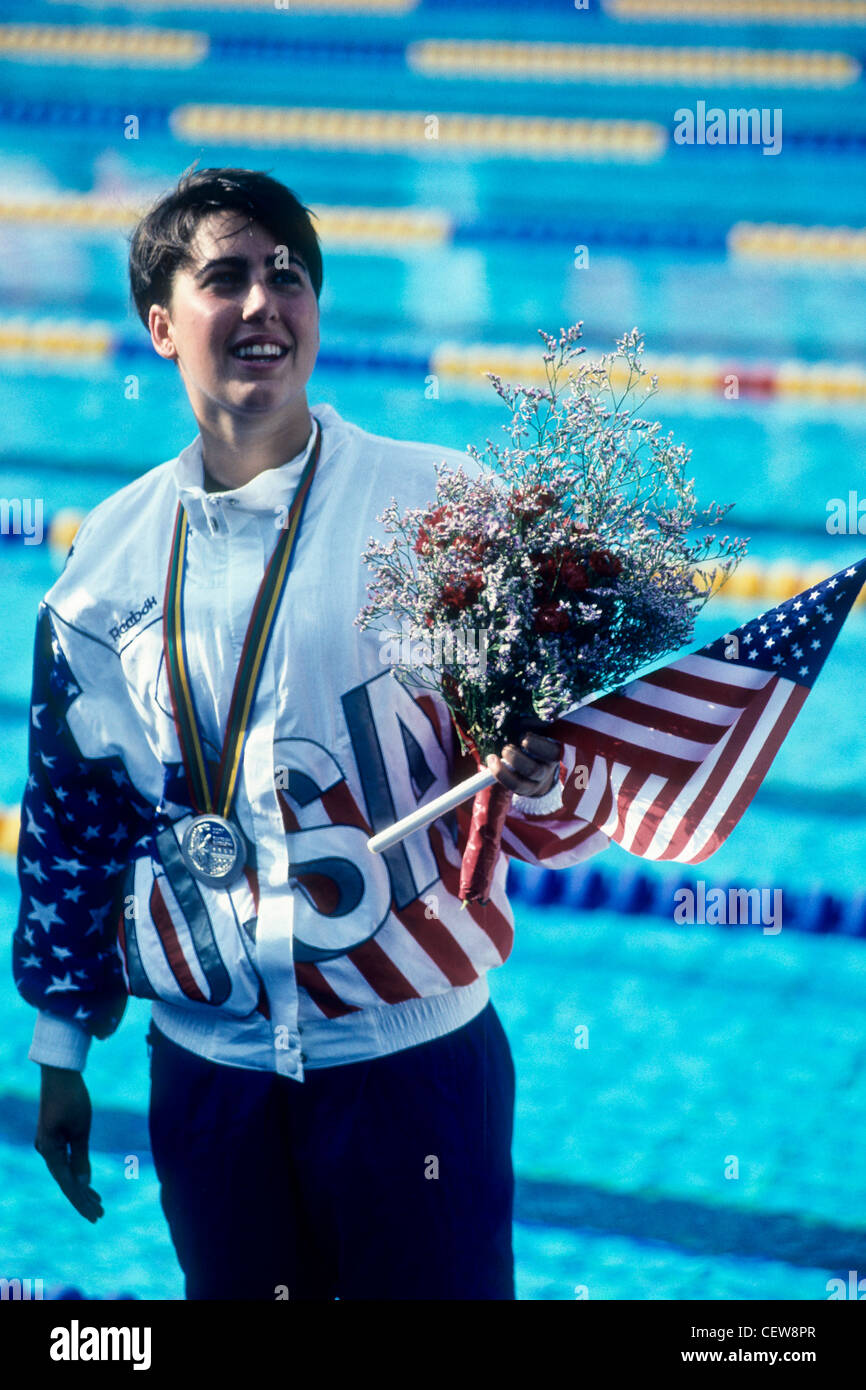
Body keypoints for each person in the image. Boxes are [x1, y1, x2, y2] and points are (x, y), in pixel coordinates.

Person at [12, 167, 607, 1301]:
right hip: (208, 1074)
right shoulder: (104, 566)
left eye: (286, 276)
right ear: (159, 323)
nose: (259, 303)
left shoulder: (441, 511)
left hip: (414, 1065)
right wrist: (59, 1053)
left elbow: (560, 814)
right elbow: (73, 821)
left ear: (317, 314)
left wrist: (536, 774)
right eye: (222, 277)